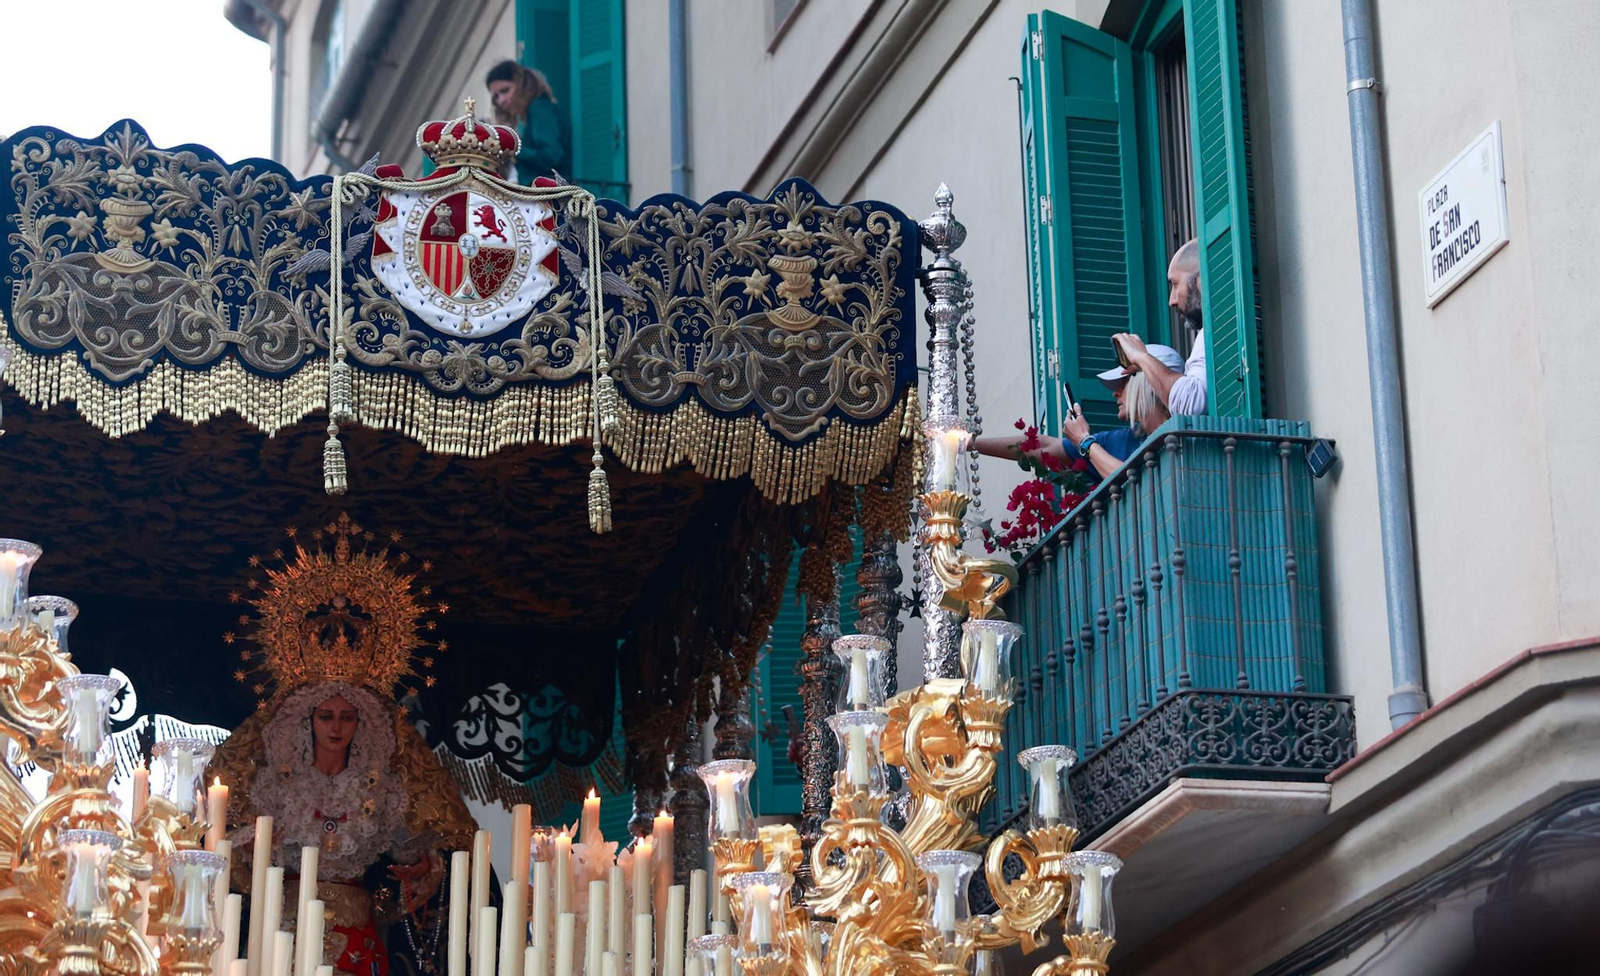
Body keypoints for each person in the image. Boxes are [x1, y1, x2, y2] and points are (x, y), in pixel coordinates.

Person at [974, 344, 1184, 480]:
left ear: (1147, 381)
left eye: (1124, 382)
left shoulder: (1187, 433)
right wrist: (970, 443)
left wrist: (1085, 442)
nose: (1115, 393)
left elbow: (1135, 484)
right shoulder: (1121, 440)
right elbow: (1045, 446)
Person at [1112, 238, 1208, 415]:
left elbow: (1190, 404)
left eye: (1175, 284)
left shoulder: (1213, 331)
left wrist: (1141, 357)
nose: (1171, 301)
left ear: (1201, 280)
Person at [485, 59, 571, 184]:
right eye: (496, 96)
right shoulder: (532, 114)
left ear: (521, 84)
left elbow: (551, 156)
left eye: (505, 91)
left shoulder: (539, 109)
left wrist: (514, 147)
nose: (501, 100)